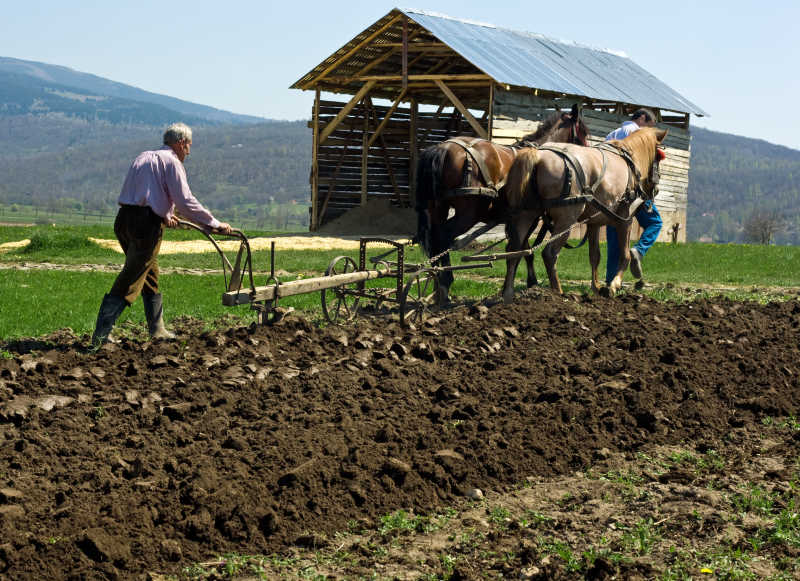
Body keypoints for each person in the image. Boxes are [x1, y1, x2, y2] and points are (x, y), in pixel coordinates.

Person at [91, 123, 232, 345]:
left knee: (150, 274)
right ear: (181, 143)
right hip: (145, 226)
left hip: (124, 220)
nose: (189, 152)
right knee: (132, 276)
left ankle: (157, 330)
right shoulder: (172, 162)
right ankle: (101, 334)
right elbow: (185, 201)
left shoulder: (144, 157)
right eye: (188, 146)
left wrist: (165, 214)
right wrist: (213, 223)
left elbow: (145, 192)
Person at [604, 108, 663, 284]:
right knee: (654, 222)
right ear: (642, 118)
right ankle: (639, 250)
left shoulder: (612, 134)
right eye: (649, 126)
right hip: (632, 191)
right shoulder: (638, 134)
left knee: (614, 236)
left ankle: (610, 281)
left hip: (610, 193)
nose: (649, 131)